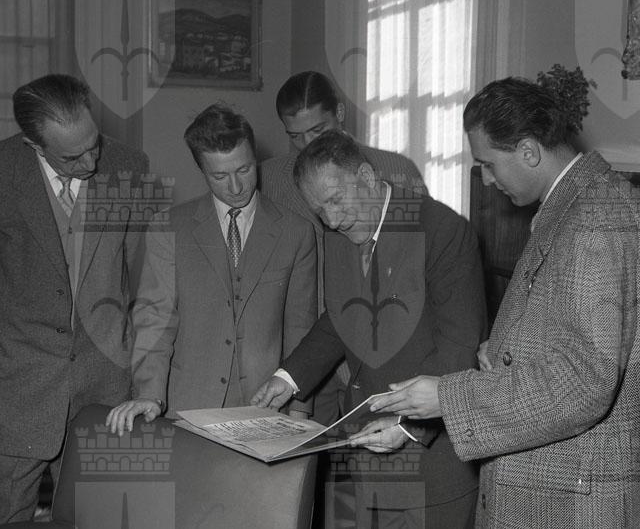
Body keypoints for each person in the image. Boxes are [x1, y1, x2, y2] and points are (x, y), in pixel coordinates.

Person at [365, 77, 640, 527]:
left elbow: (585, 382)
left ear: (529, 151)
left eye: (488, 164)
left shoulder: (593, 221)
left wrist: (447, 398)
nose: (487, 180)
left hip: (569, 503)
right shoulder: (573, 206)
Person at [252, 129, 486, 528]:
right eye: (320, 211)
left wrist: (409, 426)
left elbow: (459, 346)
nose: (332, 220)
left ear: (366, 176)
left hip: (433, 466)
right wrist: (288, 378)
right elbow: (341, 317)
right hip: (367, 457)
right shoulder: (341, 232)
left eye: (336, 201)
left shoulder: (441, 230)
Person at [106, 103, 317, 435]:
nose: (235, 187)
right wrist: (149, 394)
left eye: (244, 170)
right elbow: (155, 321)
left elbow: (300, 329)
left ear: (256, 158)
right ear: (201, 170)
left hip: (265, 411)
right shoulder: (168, 228)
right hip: (187, 410)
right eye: (219, 176)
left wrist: (300, 411)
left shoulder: (296, 232)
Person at [0, 74, 149, 523]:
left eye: (94, 144)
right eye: (72, 156)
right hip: (17, 385)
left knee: (99, 518)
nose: (91, 161)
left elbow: (139, 277)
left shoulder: (130, 166)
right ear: (34, 144)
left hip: (104, 385)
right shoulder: (3, 171)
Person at [260, 70, 428, 426]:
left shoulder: (397, 171)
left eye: (317, 130)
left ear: (339, 113)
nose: (306, 144)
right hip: (306, 352)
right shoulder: (270, 179)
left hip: (380, 346)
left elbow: (416, 268)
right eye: (294, 136)